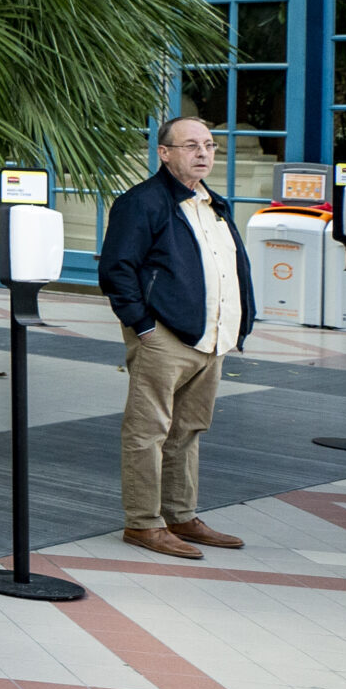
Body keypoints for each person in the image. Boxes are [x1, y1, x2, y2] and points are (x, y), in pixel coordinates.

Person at [97, 116, 256, 559]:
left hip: (211, 339)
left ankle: (180, 515)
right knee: (148, 432)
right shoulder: (142, 202)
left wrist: (240, 324)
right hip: (164, 337)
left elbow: (228, 268)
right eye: (191, 145)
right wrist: (142, 325)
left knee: (188, 431)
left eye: (208, 145)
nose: (203, 153)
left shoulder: (213, 203)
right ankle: (144, 523)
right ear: (164, 153)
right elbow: (117, 269)